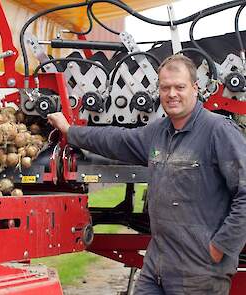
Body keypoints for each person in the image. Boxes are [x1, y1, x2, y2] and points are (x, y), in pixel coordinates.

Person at [47, 55, 246, 294]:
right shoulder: (158, 132)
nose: (172, 94)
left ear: (195, 88)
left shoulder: (218, 131)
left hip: (200, 269)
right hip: (158, 263)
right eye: (165, 88)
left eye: (179, 87)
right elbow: (116, 139)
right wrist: (71, 131)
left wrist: (221, 246)